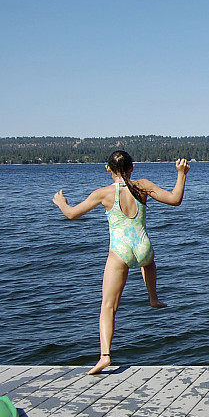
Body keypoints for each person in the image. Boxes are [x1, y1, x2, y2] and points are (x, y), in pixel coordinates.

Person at [53, 151, 190, 375]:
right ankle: (153, 297)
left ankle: (105, 356)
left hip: (120, 251)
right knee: (148, 262)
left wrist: (61, 202)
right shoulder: (142, 186)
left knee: (108, 306)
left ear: (108, 169)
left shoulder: (104, 194)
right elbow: (175, 199)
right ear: (132, 168)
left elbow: (71, 214)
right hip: (143, 245)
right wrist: (181, 174)